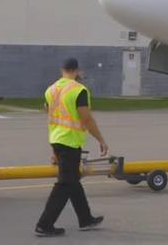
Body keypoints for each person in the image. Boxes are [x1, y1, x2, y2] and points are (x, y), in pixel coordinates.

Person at [35, 58, 108, 237]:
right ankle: (44, 225)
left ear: (62, 69)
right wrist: (101, 139)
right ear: (77, 70)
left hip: (56, 139)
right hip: (70, 142)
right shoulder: (78, 90)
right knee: (64, 184)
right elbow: (86, 118)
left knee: (73, 180)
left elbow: (48, 112)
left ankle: (85, 219)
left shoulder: (51, 90)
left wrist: (53, 150)